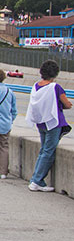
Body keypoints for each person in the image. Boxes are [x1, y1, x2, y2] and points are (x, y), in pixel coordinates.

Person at [25, 60, 73, 192]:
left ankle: (36, 178)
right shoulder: (55, 87)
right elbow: (67, 104)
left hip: (41, 122)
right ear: (55, 73)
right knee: (48, 151)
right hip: (53, 122)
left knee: (44, 150)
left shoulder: (36, 86)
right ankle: (36, 180)